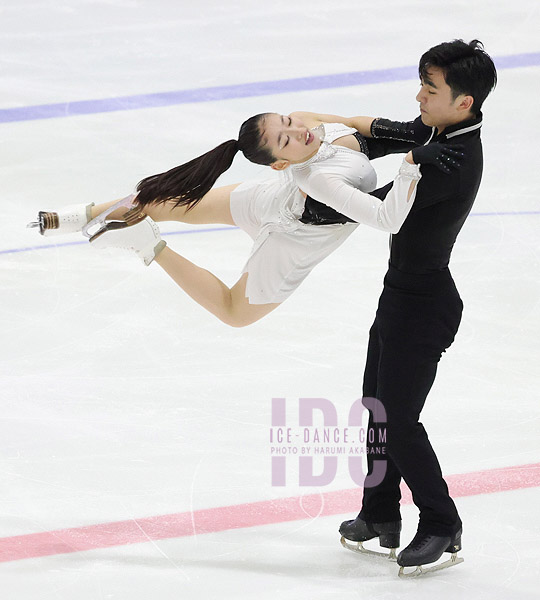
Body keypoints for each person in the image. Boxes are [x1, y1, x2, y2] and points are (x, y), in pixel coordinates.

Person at [29, 111, 461, 327]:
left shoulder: (312, 127)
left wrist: (415, 132)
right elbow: (386, 218)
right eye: (284, 139)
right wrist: (412, 165)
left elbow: (359, 126)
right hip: (289, 235)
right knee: (234, 312)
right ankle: (149, 246)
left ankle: (69, 216)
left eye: (288, 123)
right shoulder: (317, 180)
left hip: (267, 198)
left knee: (162, 202)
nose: (298, 132)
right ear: (278, 162)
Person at [335, 39, 497, 576]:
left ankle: (441, 523)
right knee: (375, 409)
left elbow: (375, 206)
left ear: (463, 102)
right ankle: (380, 513)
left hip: (424, 305)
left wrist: (315, 181)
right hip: (399, 293)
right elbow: (386, 133)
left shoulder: (450, 158)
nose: (420, 98)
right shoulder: (439, 131)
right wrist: (338, 144)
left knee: (399, 419)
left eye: (431, 90)